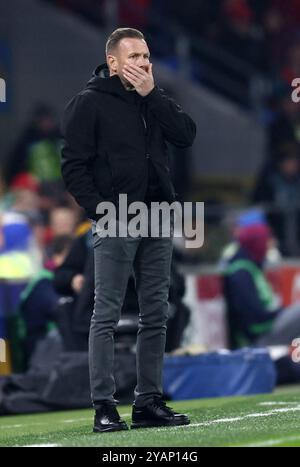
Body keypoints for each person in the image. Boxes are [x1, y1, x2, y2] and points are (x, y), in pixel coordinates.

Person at [61, 27, 196, 432]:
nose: (143, 63)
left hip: (157, 216)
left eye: (147, 56)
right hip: (117, 217)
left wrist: (152, 95)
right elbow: (73, 166)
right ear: (113, 62)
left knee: (157, 313)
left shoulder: (152, 99)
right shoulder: (88, 103)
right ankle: (104, 405)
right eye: (134, 56)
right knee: (106, 313)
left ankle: (148, 402)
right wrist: (103, 211)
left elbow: (186, 136)